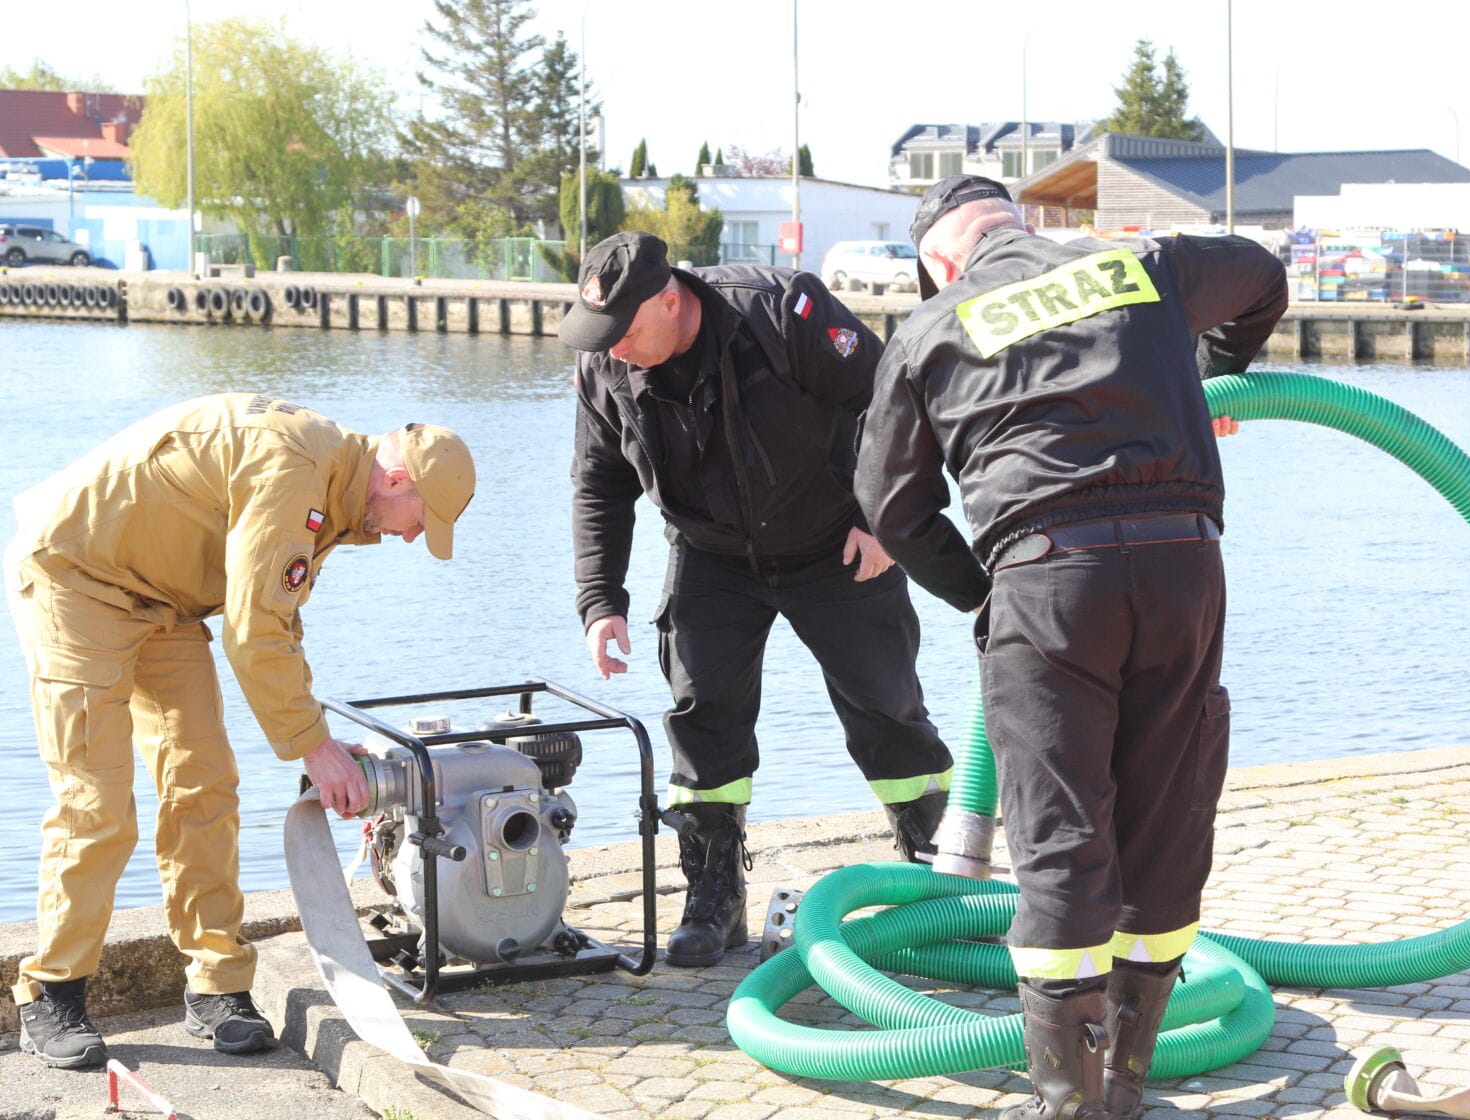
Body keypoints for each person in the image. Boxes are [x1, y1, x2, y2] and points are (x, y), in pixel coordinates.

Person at [855, 176, 1287, 1120]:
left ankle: (1069, 1105)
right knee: (1166, 821)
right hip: (1184, 564)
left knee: (1059, 838)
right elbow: (1263, 273)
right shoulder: (1141, 262)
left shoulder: (930, 331)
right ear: (1020, 223)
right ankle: (1126, 1085)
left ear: (938, 262)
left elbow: (889, 506)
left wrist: (985, 589)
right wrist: (1217, 372)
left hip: (1049, 581)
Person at [3, 394, 476, 1070]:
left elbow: (278, 620)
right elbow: (252, 631)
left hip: (163, 599)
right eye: (418, 523)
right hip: (76, 580)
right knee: (97, 801)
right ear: (399, 481)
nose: (407, 538)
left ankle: (216, 986)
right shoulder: (298, 469)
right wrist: (315, 745)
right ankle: (51, 991)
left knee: (205, 781)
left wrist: (321, 738)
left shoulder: (338, 495)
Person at [560, 231, 953, 968]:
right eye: (601, 336)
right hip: (710, 555)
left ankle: (937, 878)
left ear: (670, 301)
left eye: (625, 332)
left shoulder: (781, 312)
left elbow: (894, 402)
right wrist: (599, 598)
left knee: (885, 706)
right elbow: (598, 483)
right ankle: (713, 895)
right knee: (702, 716)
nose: (612, 349)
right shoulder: (604, 363)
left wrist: (882, 522)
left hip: (837, 544)